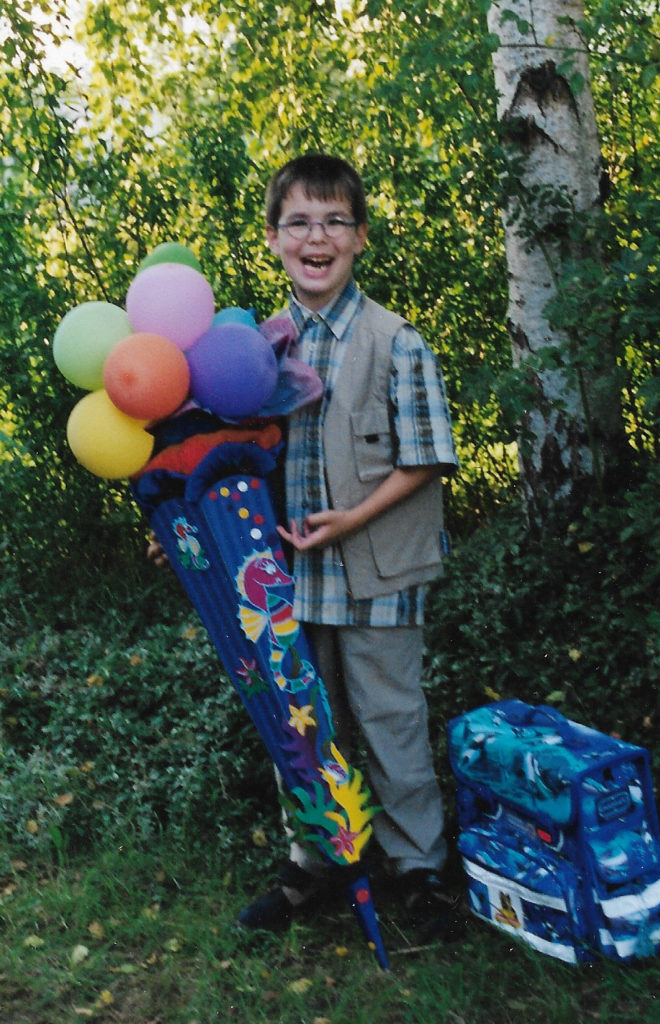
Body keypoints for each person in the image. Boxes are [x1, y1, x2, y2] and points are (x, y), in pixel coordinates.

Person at [235, 153, 461, 940]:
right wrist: (191, 535)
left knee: (392, 718)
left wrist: (352, 518)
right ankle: (315, 861)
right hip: (286, 581)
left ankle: (420, 869)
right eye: (297, 221)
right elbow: (227, 461)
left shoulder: (395, 342)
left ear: (360, 238)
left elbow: (427, 457)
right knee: (298, 725)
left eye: (334, 220)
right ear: (272, 240)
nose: (316, 236)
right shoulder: (251, 352)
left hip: (377, 572)